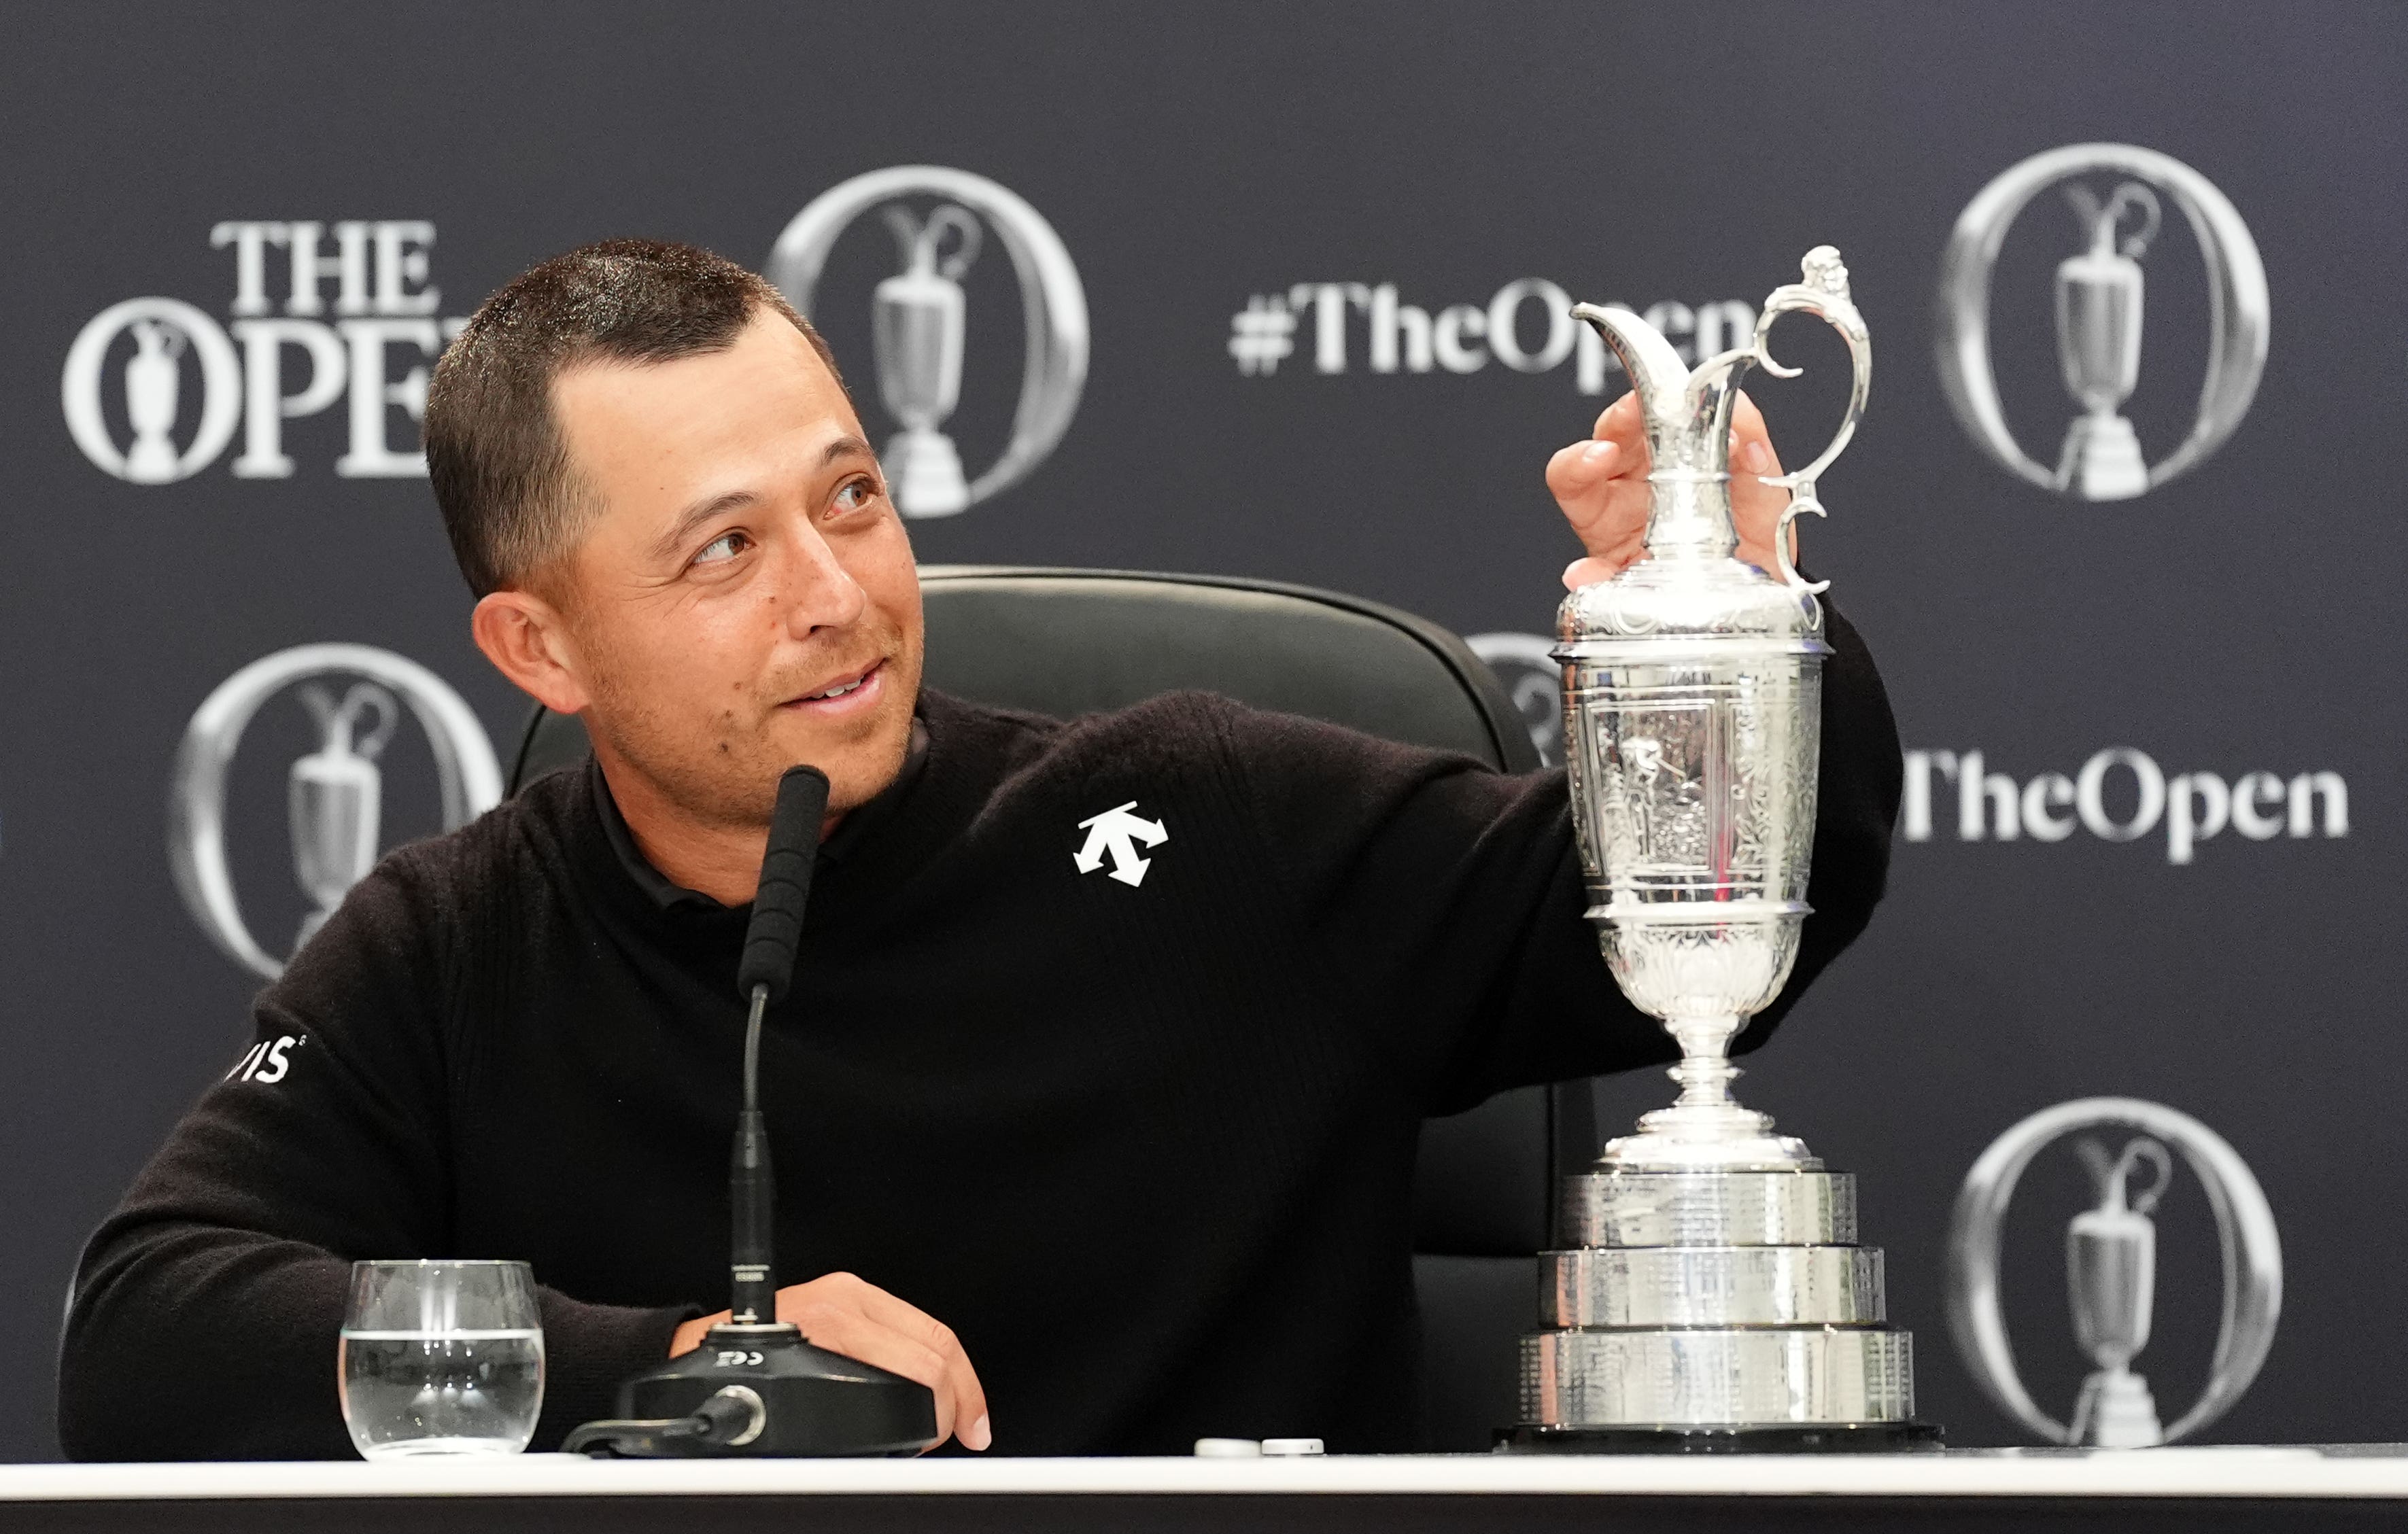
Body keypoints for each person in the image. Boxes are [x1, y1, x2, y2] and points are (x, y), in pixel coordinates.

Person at [59, 239, 1900, 1461]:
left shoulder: (1198, 818)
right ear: (540, 650)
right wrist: (679, 1361)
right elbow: (143, 1331)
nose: (838, 593)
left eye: (851, 496)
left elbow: (1708, 910)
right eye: (725, 552)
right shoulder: (453, 945)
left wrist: (1736, 622)